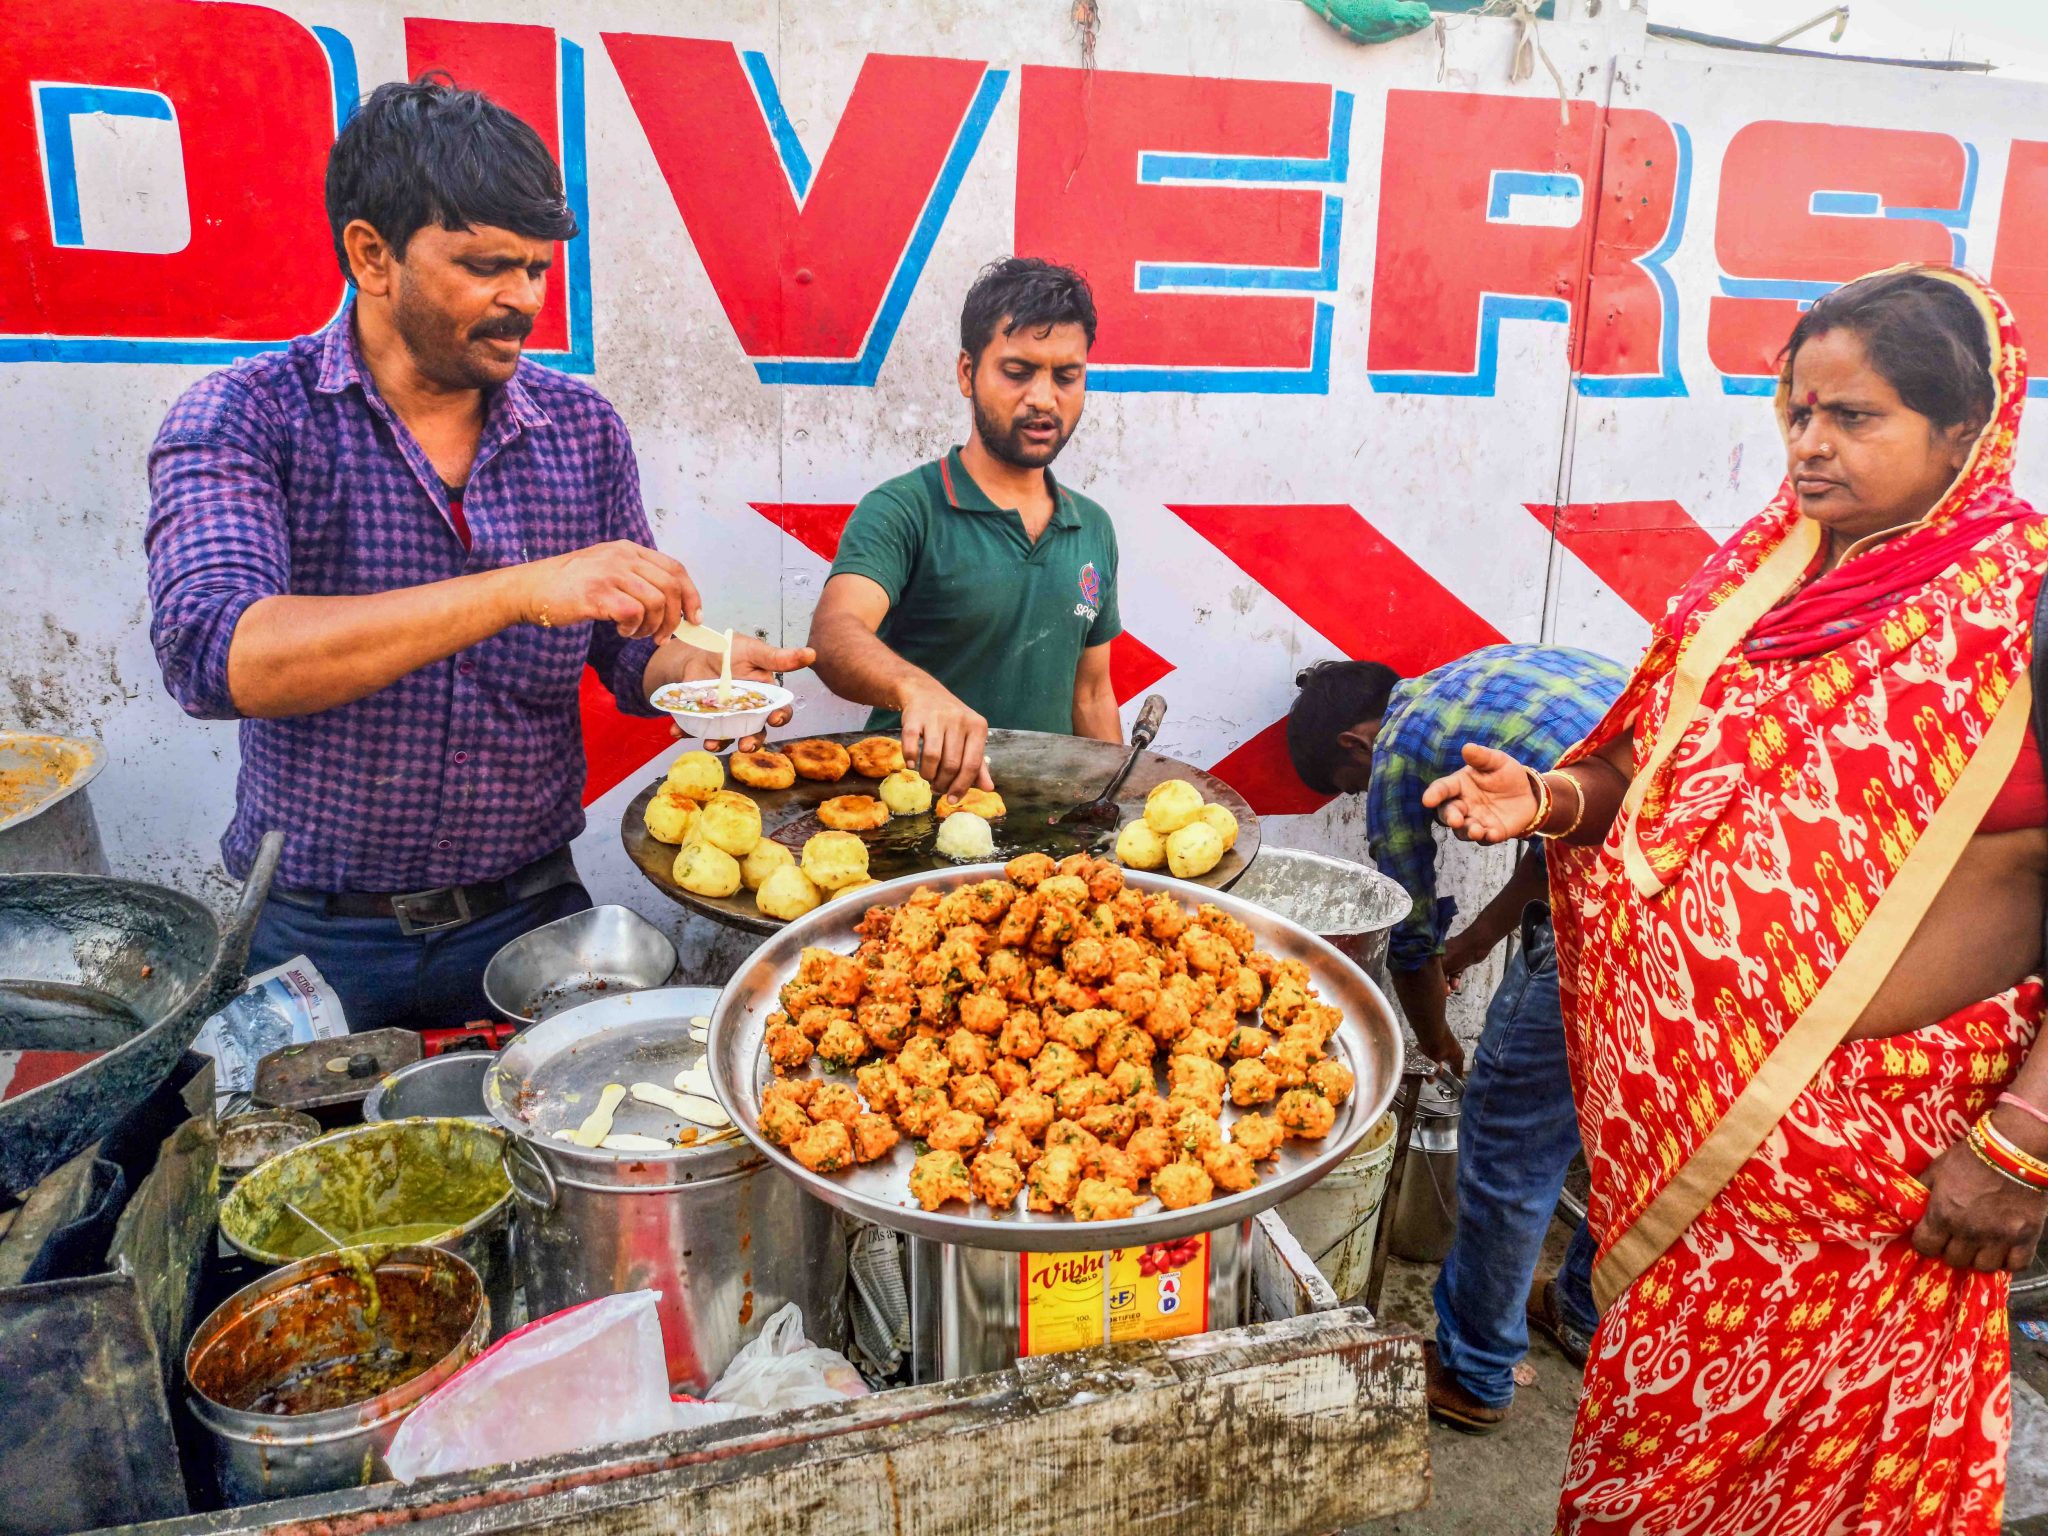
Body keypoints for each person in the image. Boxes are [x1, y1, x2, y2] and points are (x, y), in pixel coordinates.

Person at [1425, 266, 2048, 1531]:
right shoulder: (1756, 583)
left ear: (1963, 430)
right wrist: (1543, 801)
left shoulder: (2020, 612)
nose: (1807, 444)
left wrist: (2023, 1144)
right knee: (1656, 1460)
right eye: (1793, 411)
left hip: (1893, 1183)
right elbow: (1638, 781)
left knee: (1837, 1479)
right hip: (1685, 1162)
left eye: (1853, 417)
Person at [145, 77, 809, 1032]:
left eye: (536, 269)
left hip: (535, 916)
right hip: (318, 940)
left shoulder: (579, 430)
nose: (524, 300)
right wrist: (518, 590)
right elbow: (221, 657)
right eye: (486, 267)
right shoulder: (244, 417)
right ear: (372, 255)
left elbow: (627, 650)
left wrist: (704, 673)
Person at [1288, 646, 1625, 1432]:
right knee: (1615, 1125)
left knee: (1508, 1140)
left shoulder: (1401, 751)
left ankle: (1475, 1372)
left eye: (1351, 788)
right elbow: (1555, 839)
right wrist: (1468, 953)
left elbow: (1407, 932)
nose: (1365, 795)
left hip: (1612, 915)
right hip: (1701, 904)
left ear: (1353, 746)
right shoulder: (1485, 676)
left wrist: (1435, 1039)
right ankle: (1579, 1308)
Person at [808, 257, 1122, 797]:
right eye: (1018, 371)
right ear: (966, 372)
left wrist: (1116, 810)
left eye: (1065, 376)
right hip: (906, 820)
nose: (1044, 398)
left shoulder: (1092, 526)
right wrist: (915, 688)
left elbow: (1091, 695)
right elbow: (834, 635)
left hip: (1043, 828)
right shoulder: (906, 509)